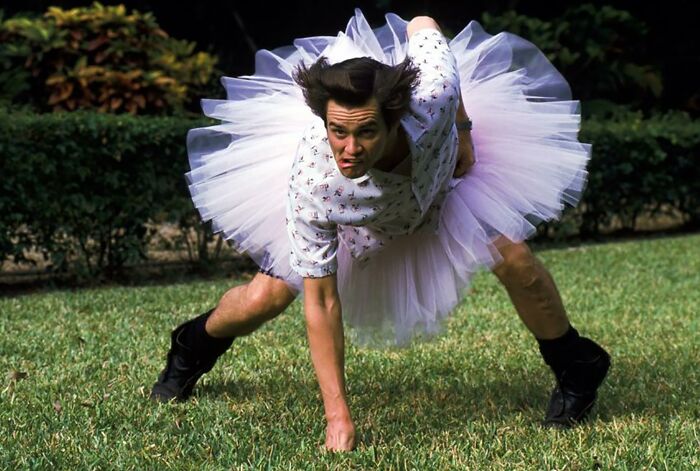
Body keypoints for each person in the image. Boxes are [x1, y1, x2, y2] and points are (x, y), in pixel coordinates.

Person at [150, 11, 610, 451]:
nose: (350, 150)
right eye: (337, 132)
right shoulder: (314, 182)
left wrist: (464, 127)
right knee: (264, 298)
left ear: (396, 116)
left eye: (367, 132)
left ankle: (577, 366)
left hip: (443, 190)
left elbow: (423, 23)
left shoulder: (434, 97)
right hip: (359, 227)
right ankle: (192, 346)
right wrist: (338, 417)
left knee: (518, 263)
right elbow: (323, 301)